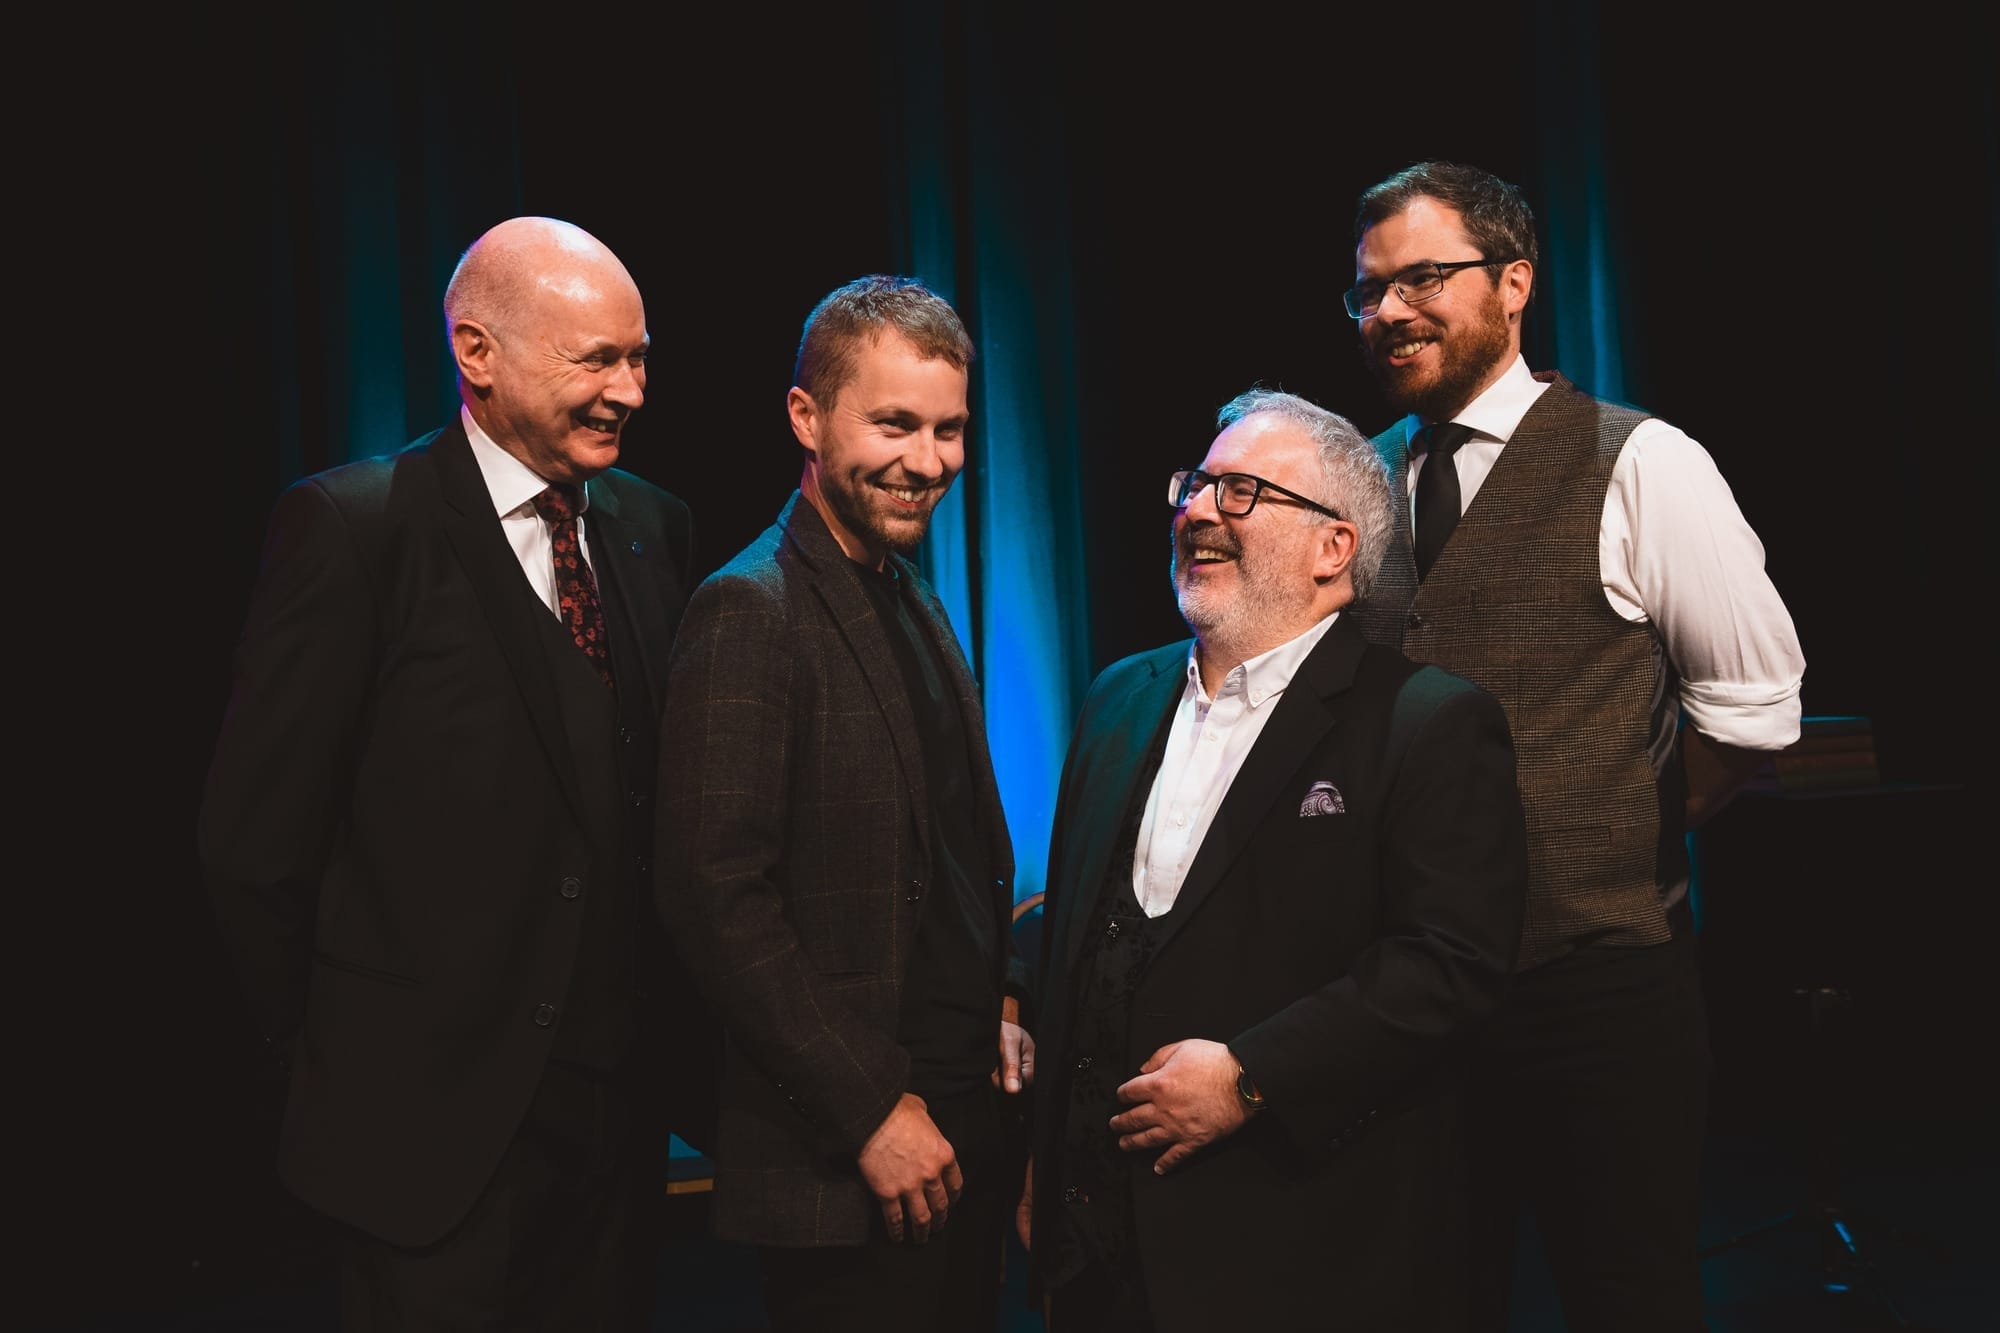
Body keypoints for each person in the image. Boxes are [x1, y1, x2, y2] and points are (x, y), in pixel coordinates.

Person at [199, 216, 715, 1331]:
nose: (628, 390)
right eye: (596, 360)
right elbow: (254, 851)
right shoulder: (353, 532)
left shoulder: (649, 528)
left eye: (638, 359)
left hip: (611, 1150)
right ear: (476, 353)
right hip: (418, 1154)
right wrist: (333, 1076)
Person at [1343, 160, 1808, 1332]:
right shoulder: (1352, 482)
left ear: (1512, 284)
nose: (1387, 310)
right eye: (1365, 290)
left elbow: (1751, 711)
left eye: (1420, 278)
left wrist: (1604, 838)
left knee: (1626, 1298)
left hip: (1597, 1000)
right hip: (1403, 998)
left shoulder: (1641, 460)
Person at [1020, 387, 1531, 1332]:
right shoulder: (1115, 700)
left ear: (1335, 550)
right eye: (1198, 486)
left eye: (1243, 491)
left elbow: (1452, 964)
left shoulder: (1427, 723)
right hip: (1098, 1254)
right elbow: (1093, 930)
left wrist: (1255, 1073)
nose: (1201, 510)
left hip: (1292, 1249)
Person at [654, 274, 1033, 1333]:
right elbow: (712, 897)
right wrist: (868, 1107)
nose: (927, 461)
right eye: (894, 424)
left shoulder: (906, 589)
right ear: (805, 417)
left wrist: (999, 998)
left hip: (955, 1127)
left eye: (948, 429)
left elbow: (952, 846)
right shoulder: (750, 606)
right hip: (850, 1157)